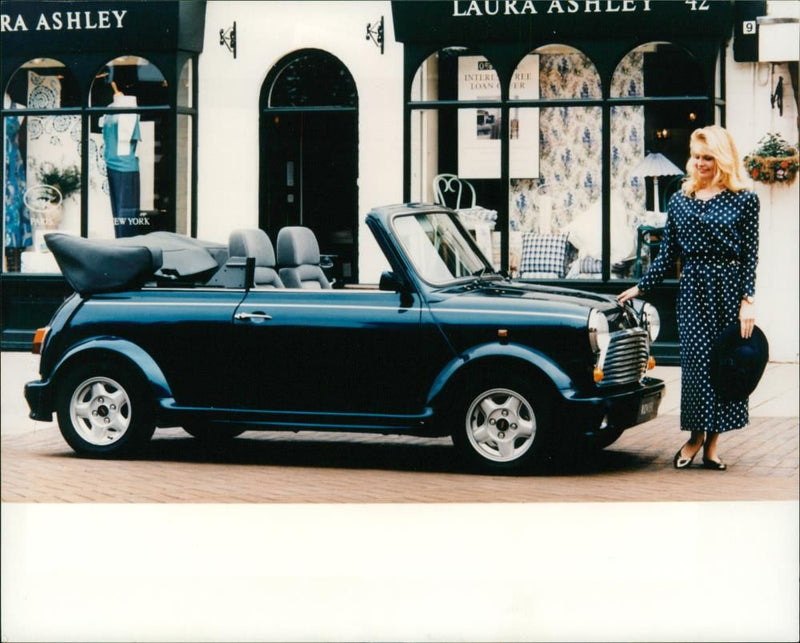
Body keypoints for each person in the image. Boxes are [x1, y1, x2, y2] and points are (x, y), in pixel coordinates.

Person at [617, 125, 759, 471]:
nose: (700, 163)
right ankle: (695, 436)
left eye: (707, 157)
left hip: (727, 289)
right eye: (696, 157)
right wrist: (641, 287)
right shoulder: (680, 200)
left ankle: (712, 445)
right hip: (693, 289)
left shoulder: (745, 199)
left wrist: (747, 301)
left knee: (725, 366)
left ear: (722, 160)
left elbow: (751, 256)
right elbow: (667, 255)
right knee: (698, 367)